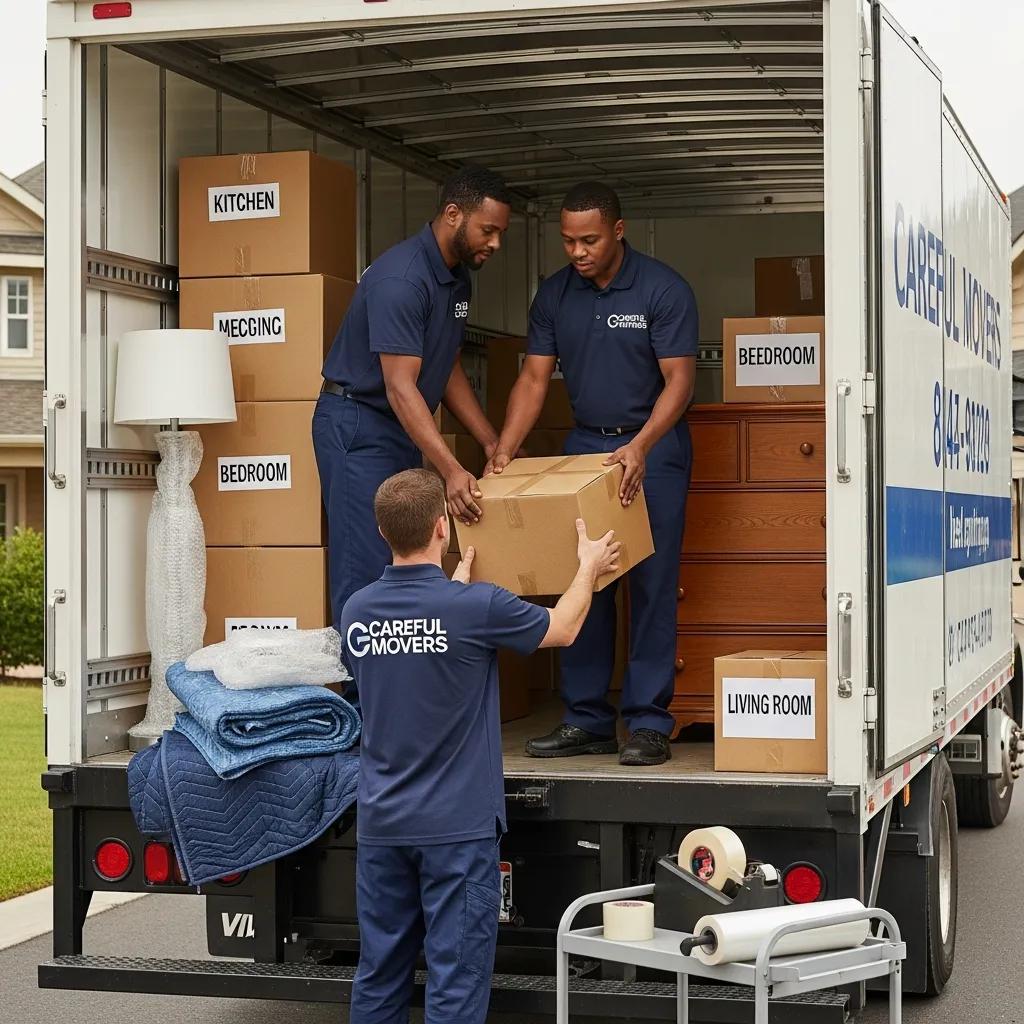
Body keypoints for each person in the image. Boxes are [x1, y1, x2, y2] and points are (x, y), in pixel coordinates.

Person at [340, 468, 619, 1024]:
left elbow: (417, 650)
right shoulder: (475, 609)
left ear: (381, 532)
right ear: (444, 528)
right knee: (456, 979)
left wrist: (454, 593)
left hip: (383, 826)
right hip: (456, 831)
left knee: (379, 973)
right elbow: (561, 628)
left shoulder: (356, 613)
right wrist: (587, 567)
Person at [484, 181, 697, 767]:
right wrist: (504, 448)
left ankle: (649, 723)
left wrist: (643, 445)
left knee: (650, 586)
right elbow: (533, 379)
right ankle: (586, 719)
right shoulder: (554, 295)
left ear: (618, 231)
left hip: (653, 449)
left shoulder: (662, 289)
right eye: (569, 241)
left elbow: (679, 380)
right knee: (584, 578)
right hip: (584, 450)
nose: (578, 252)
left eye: (589, 240)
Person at [313, 166, 512, 667]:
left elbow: (444, 368)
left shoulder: (456, 278)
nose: (496, 244)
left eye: (500, 233)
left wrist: (489, 441)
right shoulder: (402, 279)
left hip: (394, 427)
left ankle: (392, 694)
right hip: (358, 424)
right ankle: (362, 711)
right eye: (488, 230)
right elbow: (402, 388)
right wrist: (450, 470)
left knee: (404, 565)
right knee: (365, 570)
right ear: (452, 215)